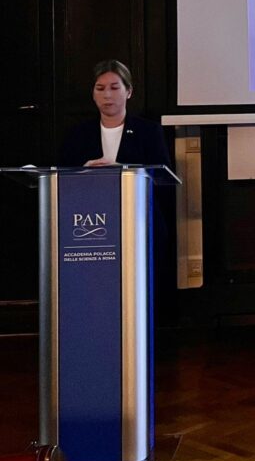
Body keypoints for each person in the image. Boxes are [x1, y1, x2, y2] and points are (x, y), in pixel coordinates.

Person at [58, 59, 175, 321]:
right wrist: (83, 170)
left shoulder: (148, 131)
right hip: (91, 224)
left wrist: (125, 171)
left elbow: (163, 177)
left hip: (138, 221)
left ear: (128, 91)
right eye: (100, 89)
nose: (107, 95)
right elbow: (62, 177)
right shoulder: (78, 133)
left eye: (114, 87)